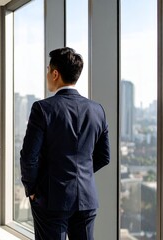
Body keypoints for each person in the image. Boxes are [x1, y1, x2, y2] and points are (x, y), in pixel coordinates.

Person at [20, 47, 110, 240]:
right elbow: (104, 156)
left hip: (52, 198)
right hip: (86, 198)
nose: (46, 75)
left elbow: (29, 156)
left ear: (55, 73)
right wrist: (80, 174)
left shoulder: (42, 109)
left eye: (47, 70)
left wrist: (33, 190)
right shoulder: (97, 110)